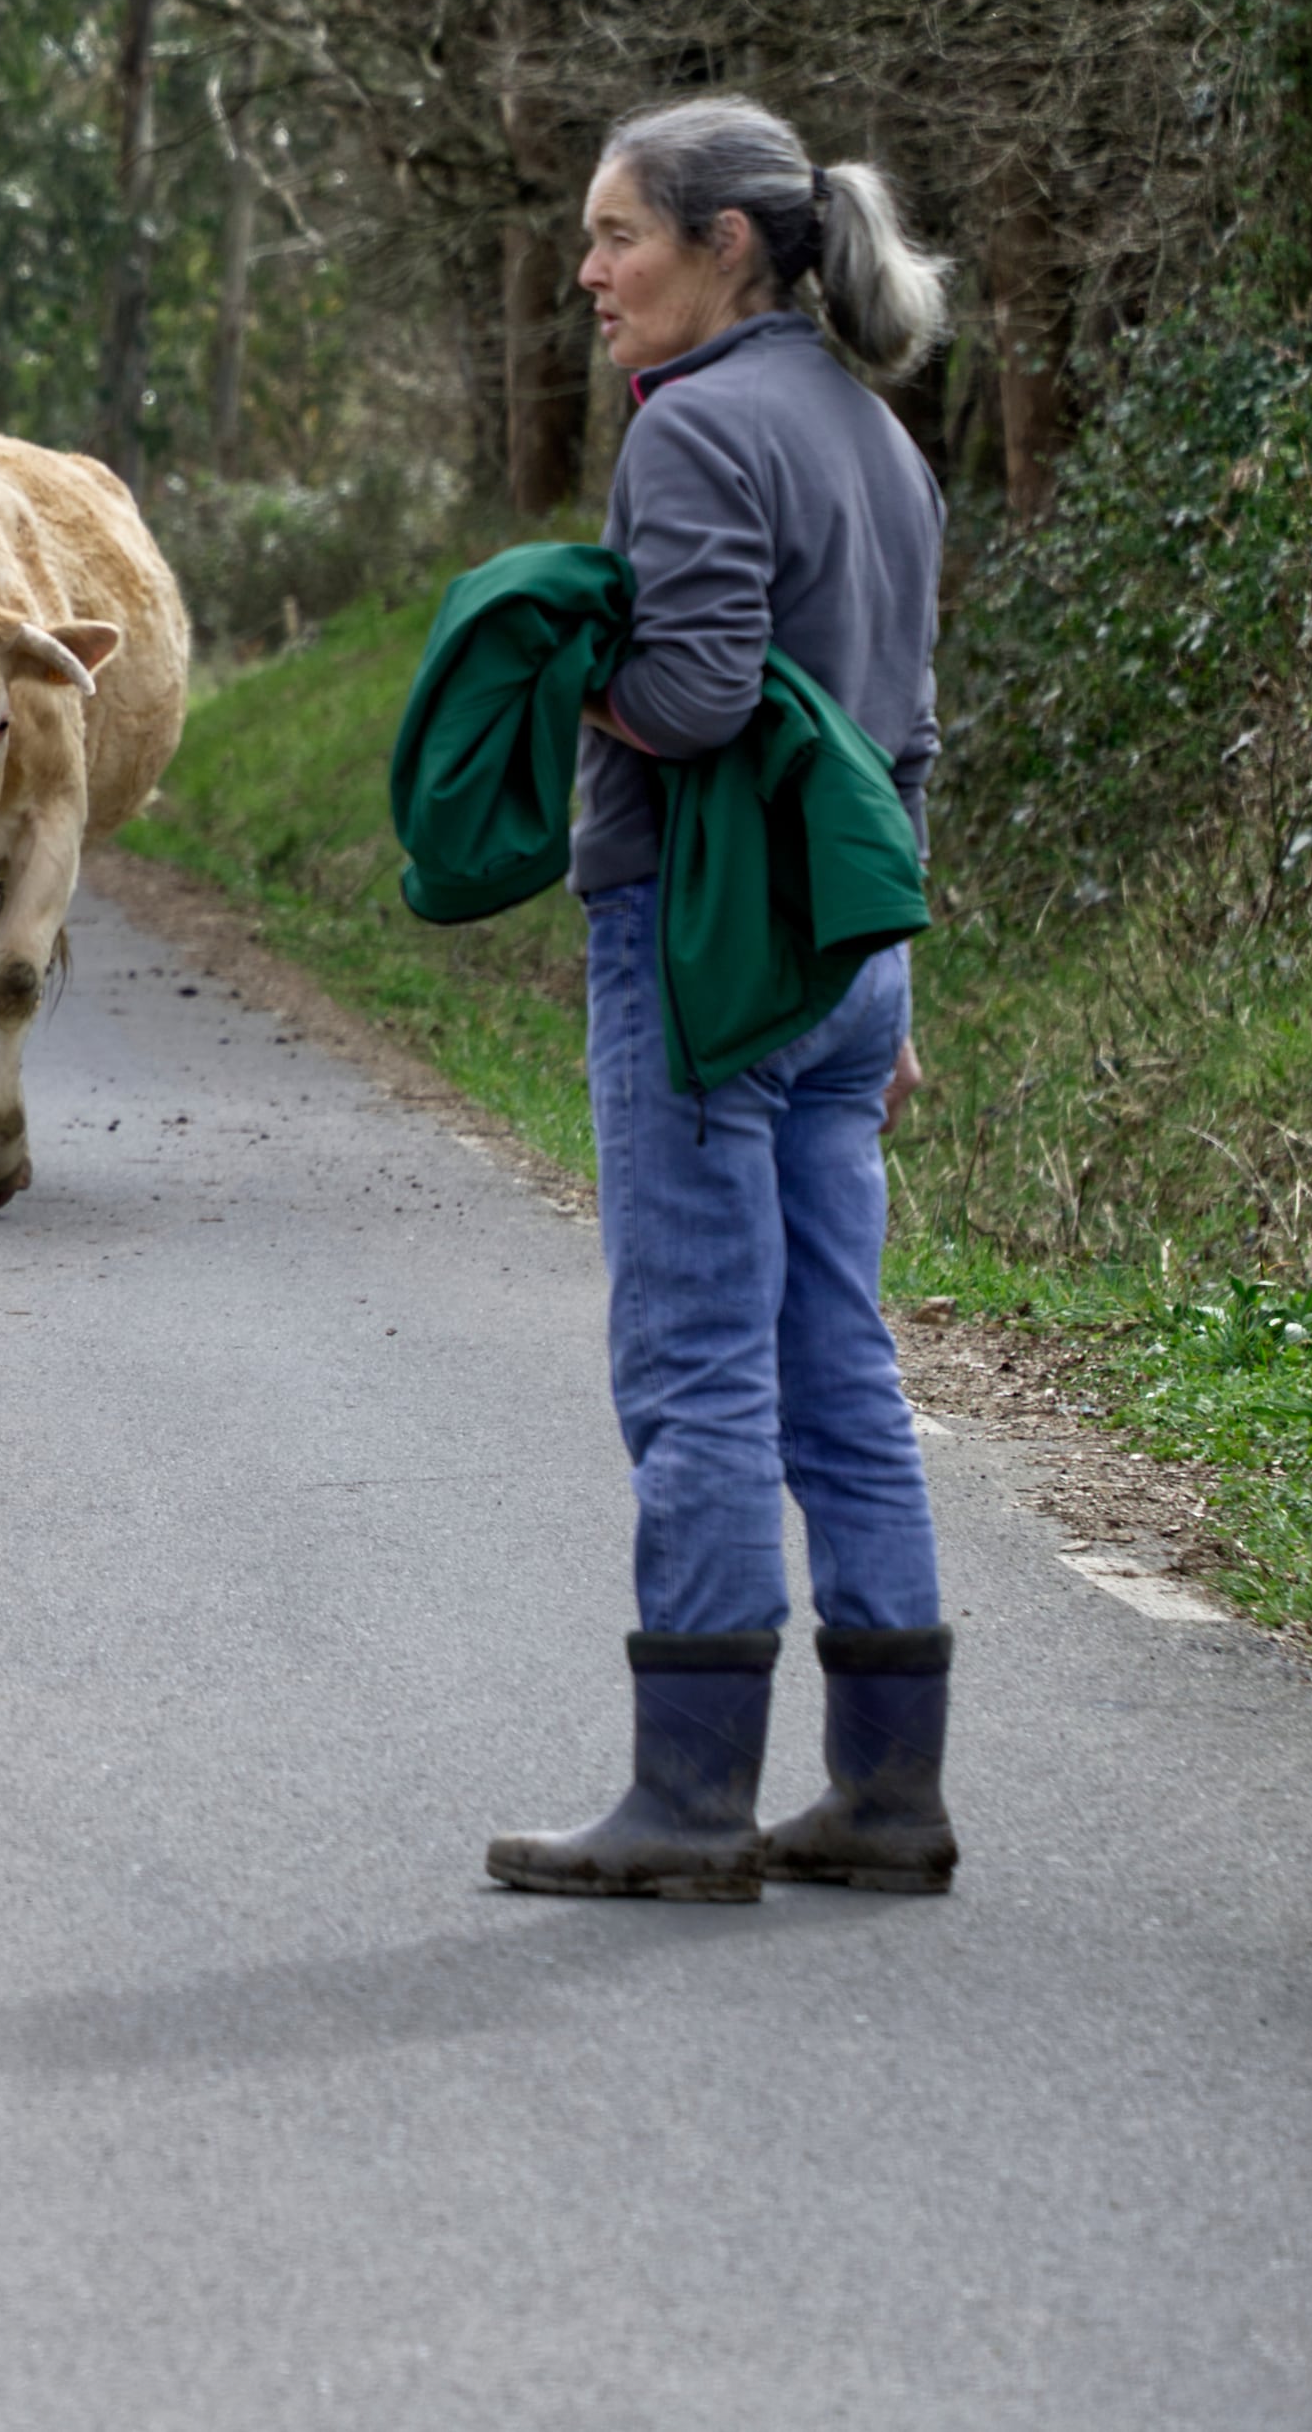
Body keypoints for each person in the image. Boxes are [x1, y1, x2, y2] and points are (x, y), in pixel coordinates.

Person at [488, 95, 963, 1904]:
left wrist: (560, 671)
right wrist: (891, 973)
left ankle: (688, 1802)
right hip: (846, 967)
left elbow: (689, 700)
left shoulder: (694, 431)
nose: (592, 273)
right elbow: (903, 741)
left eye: (619, 236)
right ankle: (887, 1792)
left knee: (693, 1365)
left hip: (701, 959)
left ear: (730, 244)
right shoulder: (878, 437)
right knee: (840, 1367)